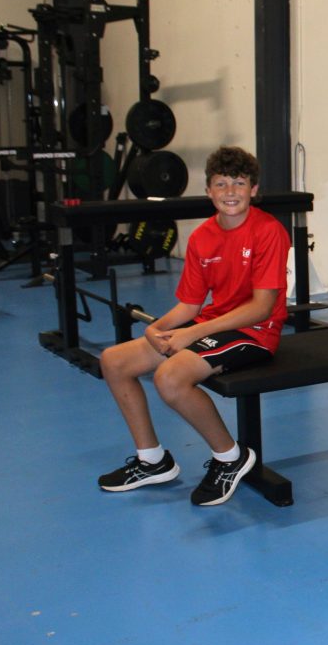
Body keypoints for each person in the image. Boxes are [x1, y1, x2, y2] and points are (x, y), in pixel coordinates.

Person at [97, 146, 291, 506]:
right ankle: (153, 460)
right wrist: (158, 327)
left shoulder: (268, 231)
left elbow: (262, 307)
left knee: (169, 378)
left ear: (253, 189)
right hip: (214, 324)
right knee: (114, 361)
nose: (230, 191)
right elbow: (190, 303)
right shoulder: (202, 237)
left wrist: (193, 333)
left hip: (256, 332)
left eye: (239, 183)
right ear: (209, 192)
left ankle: (230, 457)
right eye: (221, 183)